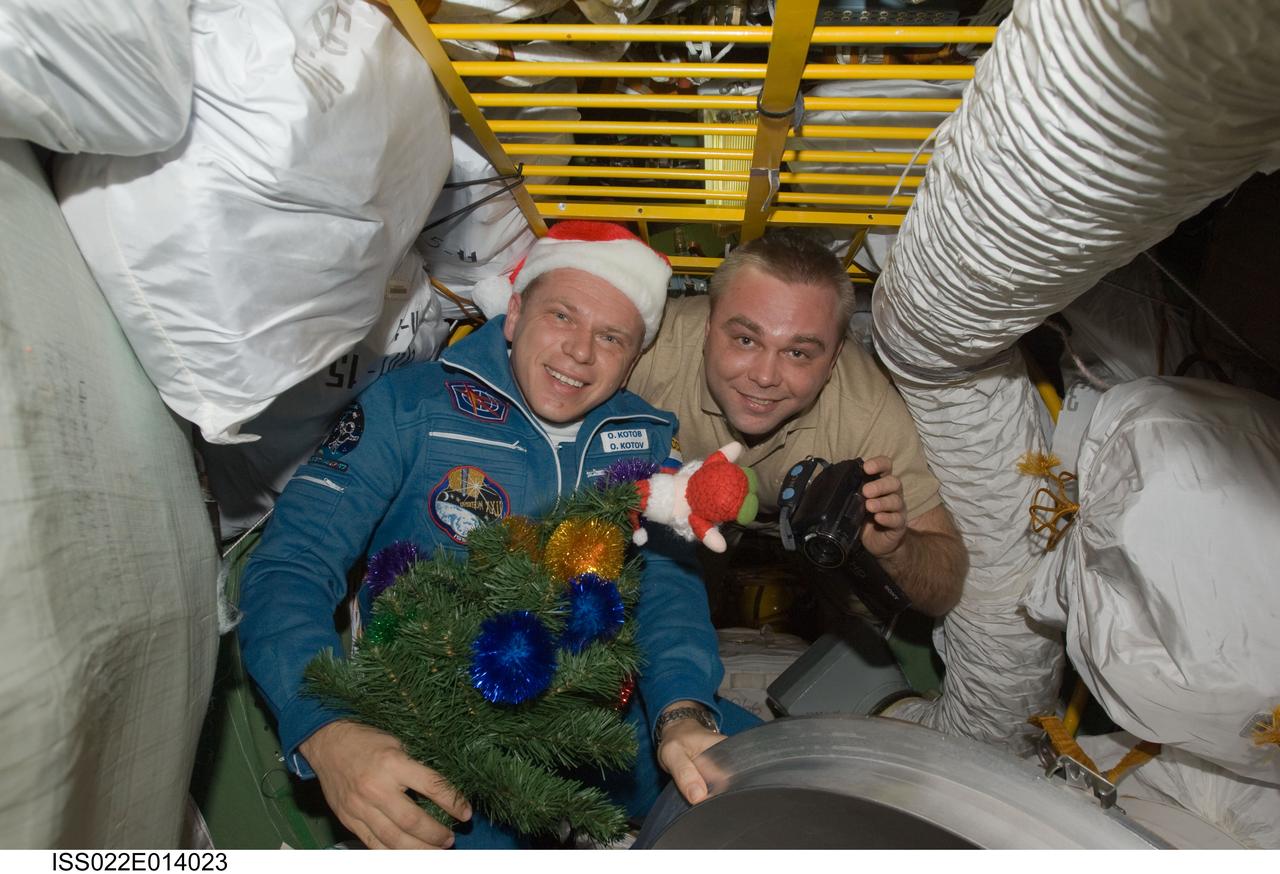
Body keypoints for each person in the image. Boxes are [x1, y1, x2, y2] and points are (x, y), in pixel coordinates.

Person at [238, 221, 757, 850]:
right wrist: (327, 729)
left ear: (634, 357)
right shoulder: (410, 408)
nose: (580, 352)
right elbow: (289, 568)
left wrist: (682, 714)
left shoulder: (646, 439)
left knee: (783, 784)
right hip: (445, 740)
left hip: (608, 731)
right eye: (561, 315)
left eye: (611, 336)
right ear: (514, 314)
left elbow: (669, 597)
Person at [626, 230, 966, 617]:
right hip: (670, 504)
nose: (766, 376)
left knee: (862, 613)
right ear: (706, 327)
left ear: (835, 357)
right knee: (664, 598)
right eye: (745, 340)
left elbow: (944, 587)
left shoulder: (863, 411)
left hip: (795, 527)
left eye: (798, 352)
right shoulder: (649, 350)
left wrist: (898, 550)